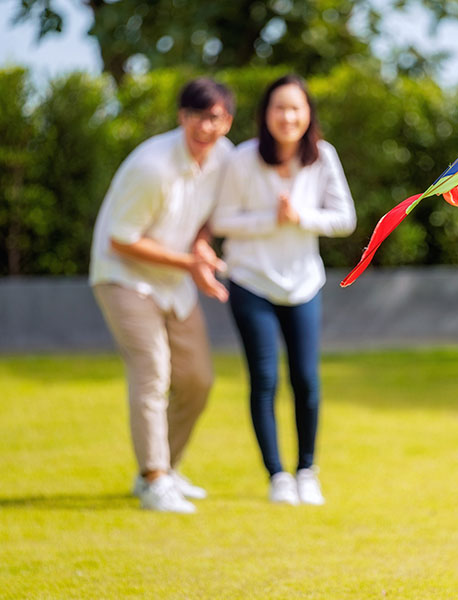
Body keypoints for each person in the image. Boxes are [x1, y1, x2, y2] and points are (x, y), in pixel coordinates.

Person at [90, 78, 235, 514]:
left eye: (213, 117)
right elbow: (120, 239)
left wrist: (202, 247)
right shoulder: (151, 166)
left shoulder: (224, 159)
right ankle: (154, 479)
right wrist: (190, 265)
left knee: (197, 380)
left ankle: (163, 469)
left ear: (227, 122)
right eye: (194, 115)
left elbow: (207, 219)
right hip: (123, 277)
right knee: (153, 370)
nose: (203, 126)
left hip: (173, 280)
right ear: (181, 117)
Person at [211, 75, 356, 506]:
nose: (288, 116)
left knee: (306, 379)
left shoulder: (322, 157)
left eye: (296, 108)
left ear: (308, 113)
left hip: (302, 283)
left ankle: (306, 470)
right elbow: (221, 221)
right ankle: (277, 475)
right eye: (279, 108)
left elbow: (343, 218)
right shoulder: (242, 159)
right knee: (264, 378)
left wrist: (300, 217)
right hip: (249, 280)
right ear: (265, 115)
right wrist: (269, 220)